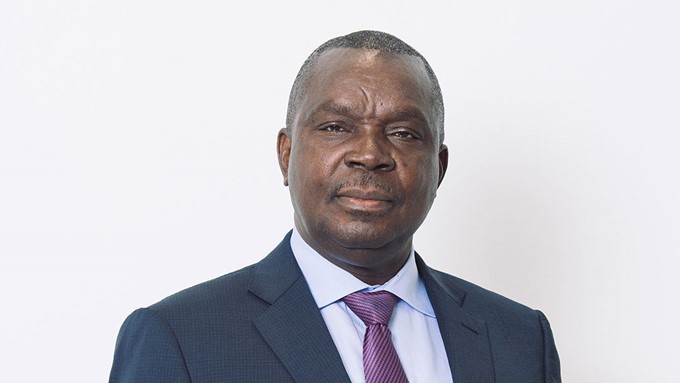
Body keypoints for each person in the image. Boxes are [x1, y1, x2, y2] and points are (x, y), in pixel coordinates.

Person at [109, 30, 561, 383]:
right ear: (286, 155)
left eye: (403, 133)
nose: (369, 153)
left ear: (438, 168)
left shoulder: (519, 338)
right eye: (334, 127)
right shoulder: (180, 337)